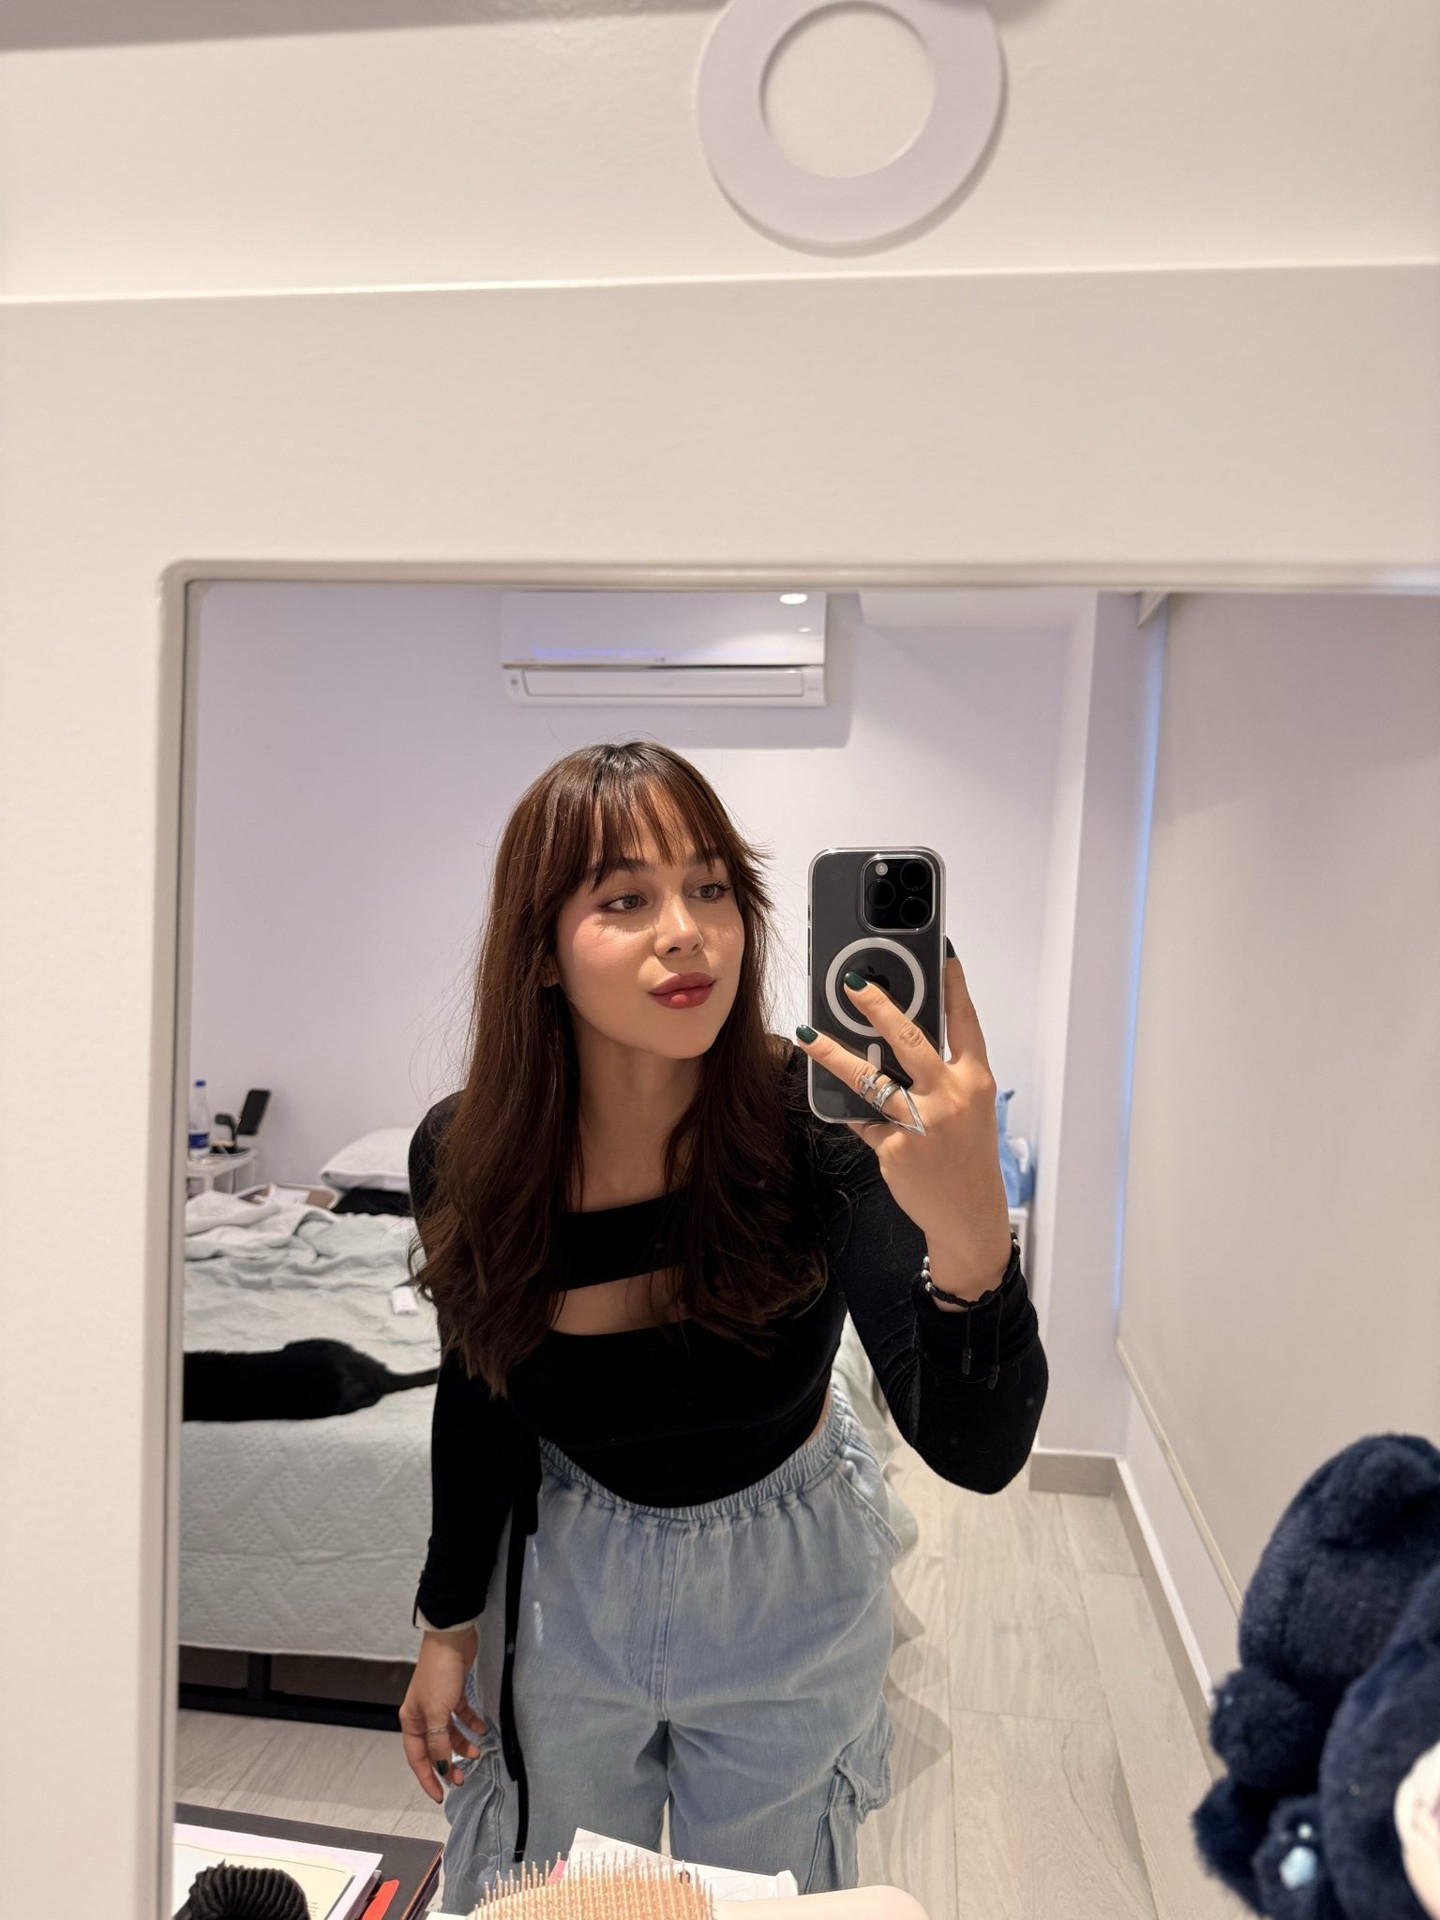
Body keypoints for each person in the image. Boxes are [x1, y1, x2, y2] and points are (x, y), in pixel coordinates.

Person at [398, 741, 1048, 1906]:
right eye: (624, 900)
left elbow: (977, 1448)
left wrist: (972, 1240)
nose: (687, 931)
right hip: (566, 1579)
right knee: (554, 1898)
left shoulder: (817, 1129)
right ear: (540, 950)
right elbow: (479, 1393)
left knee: (766, 1895)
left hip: (788, 1579)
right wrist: (447, 1626)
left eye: (710, 888)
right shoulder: (468, 1152)